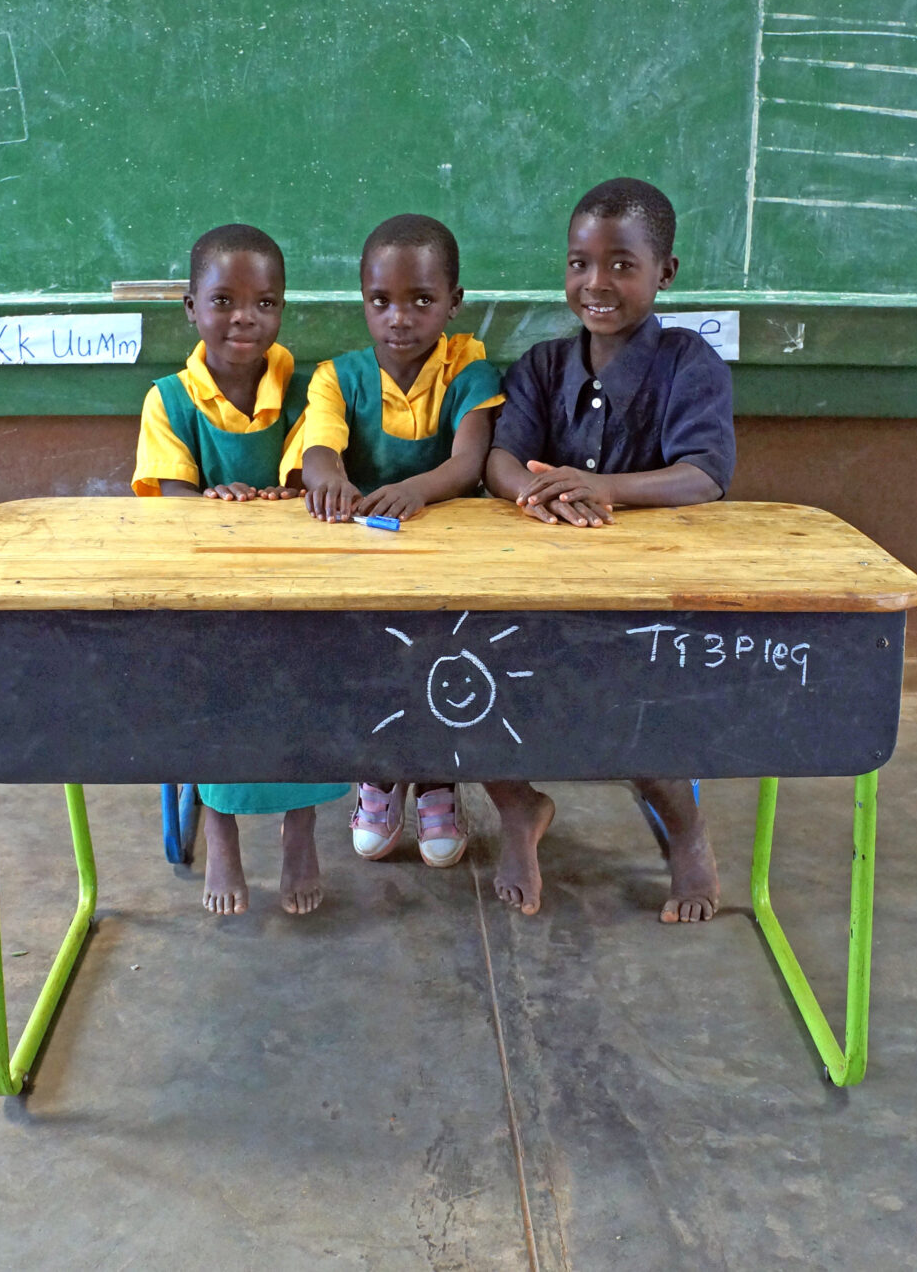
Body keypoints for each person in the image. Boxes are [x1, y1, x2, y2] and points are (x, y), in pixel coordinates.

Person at [481, 178, 735, 923]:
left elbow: (704, 477)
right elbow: (502, 460)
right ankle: (517, 810)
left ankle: (682, 832)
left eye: (622, 265)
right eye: (579, 263)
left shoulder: (689, 364)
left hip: (647, 596)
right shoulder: (542, 367)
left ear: (666, 273)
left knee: (637, 713)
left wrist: (602, 488)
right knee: (465, 690)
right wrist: (539, 492)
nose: (596, 283)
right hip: (537, 589)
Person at [131, 222, 348, 916]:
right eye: (223, 301)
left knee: (311, 672)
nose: (244, 319)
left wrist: (287, 496)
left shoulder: (313, 386)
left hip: (296, 585)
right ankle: (219, 827)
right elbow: (171, 502)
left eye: (264, 303)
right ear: (190, 309)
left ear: (282, 309)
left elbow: (311, 475)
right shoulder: (168, 399)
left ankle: (300, 825)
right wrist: (210, 501)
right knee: (209, 675)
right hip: (208, 592)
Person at [283, 214, 503, 869]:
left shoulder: (468, 366)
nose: (399, 318)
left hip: (448, 563)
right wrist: (328, 482)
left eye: (421, 301)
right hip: (364, 560)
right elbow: (320, 448)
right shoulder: (337, 375)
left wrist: (416, 491)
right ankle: (378, 777)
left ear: (454, 303)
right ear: (363, 301)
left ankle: (437, 779)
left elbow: (469, 463)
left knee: (443, 666)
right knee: (369, 665)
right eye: (381, 302)